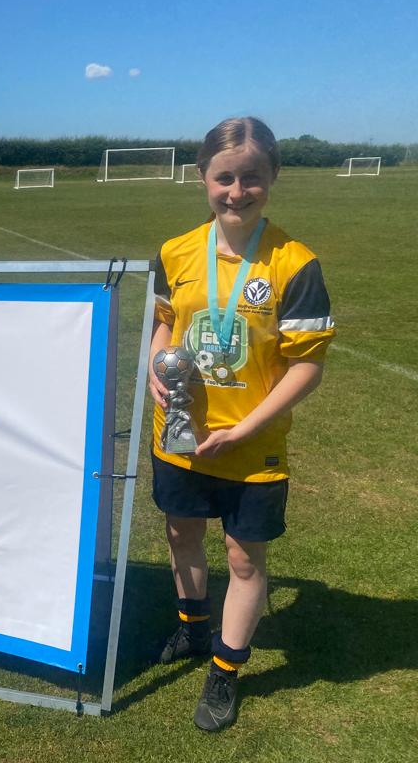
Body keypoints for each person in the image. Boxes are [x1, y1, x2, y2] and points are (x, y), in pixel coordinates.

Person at [148, 117, 335, 731]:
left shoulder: (295, 262)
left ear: (272, 177)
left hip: (251, 444)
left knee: (244, 558)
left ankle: (225, 672)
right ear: (202, 178)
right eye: (224, 177)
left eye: (250, 178)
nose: (236, 190)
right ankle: (193, 628)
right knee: (181, 535)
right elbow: (165, 324)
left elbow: (307, 366)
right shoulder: (174, 252)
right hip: (179, 434)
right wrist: (155, 363)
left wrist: (247, 426)